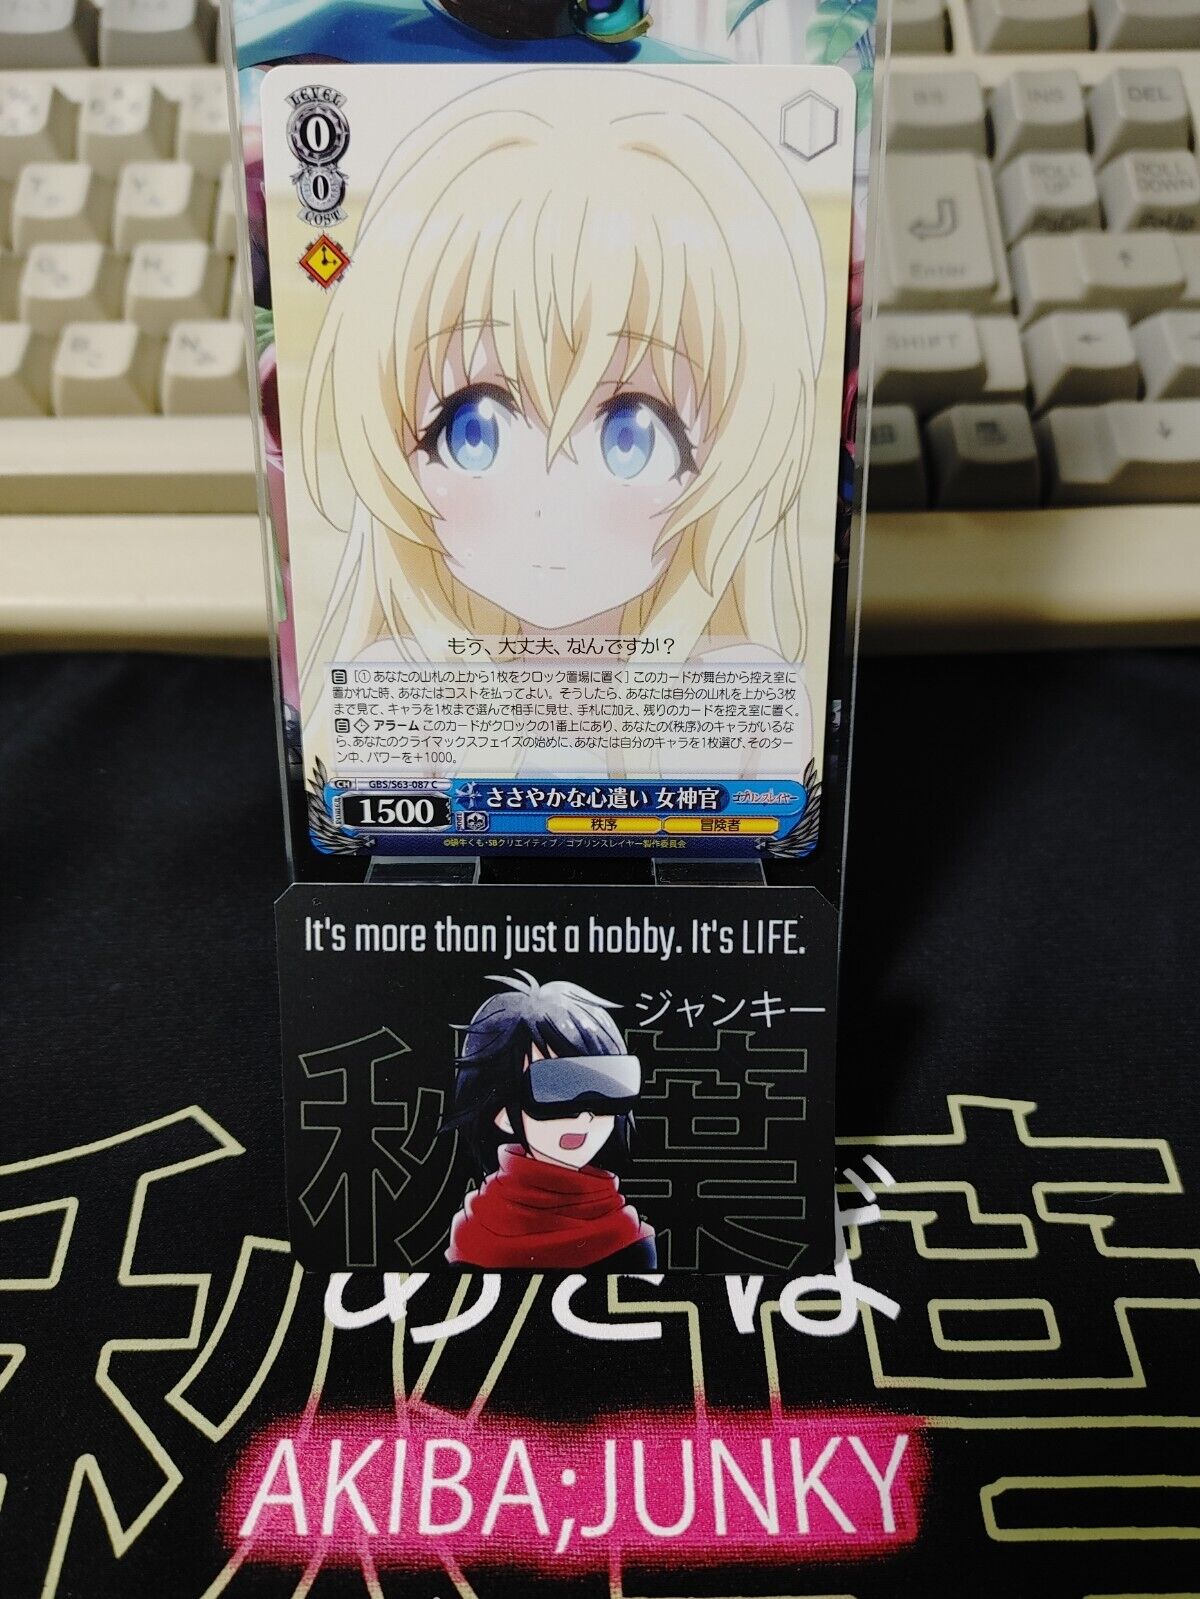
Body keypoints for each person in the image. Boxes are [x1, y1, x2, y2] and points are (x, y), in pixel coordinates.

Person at [298, 67, 827, 776]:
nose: (548, 505)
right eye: (472, 430)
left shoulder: (736, 701)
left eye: (633, 438)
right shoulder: (399, 691)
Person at [440, 972, 657, 1269]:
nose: (584, 1114)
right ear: (502, 1113)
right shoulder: (474, 1233)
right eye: (555, 1087)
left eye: (604, 1086)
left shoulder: (629, 1237)